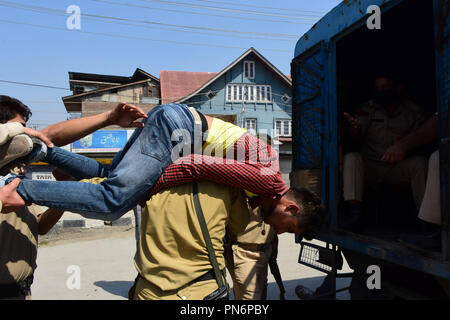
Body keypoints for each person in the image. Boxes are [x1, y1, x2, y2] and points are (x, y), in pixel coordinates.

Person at [2, 103, 297, 226]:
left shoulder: (261, 185)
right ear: (291, 208)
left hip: (177, 124)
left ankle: (39, 152)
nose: (278, 231)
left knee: (110, 176)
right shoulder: (269, 180)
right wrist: (145, 191)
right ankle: (21, 190)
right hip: (182, 128)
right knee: (115, 201)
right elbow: (194, 164)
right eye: (289, 228)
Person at [0, 95, 147, 299]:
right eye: (21, 128)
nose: (29, 133)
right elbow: (46, 138)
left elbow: (40, 226)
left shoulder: (12, 178)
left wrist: (64, 191)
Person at [342, 76, 428, 229]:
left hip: (397, 167)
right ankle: (354, 214)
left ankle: (425, 219)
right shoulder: (368, 108)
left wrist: (405, 146)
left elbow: (423, 137)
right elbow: (358, 132)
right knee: (352, 158)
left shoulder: (413, 111)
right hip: (372, 167)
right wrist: (354, 128)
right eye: (379, 88)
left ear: (398, 88)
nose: (383, 92)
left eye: (386, 87)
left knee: (420, 163)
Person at [224, 205, 277, 300]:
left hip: (265, 250)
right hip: (243, 253)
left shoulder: (271, 192)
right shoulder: (239, 191)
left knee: (261, 293)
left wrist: (274, 242)